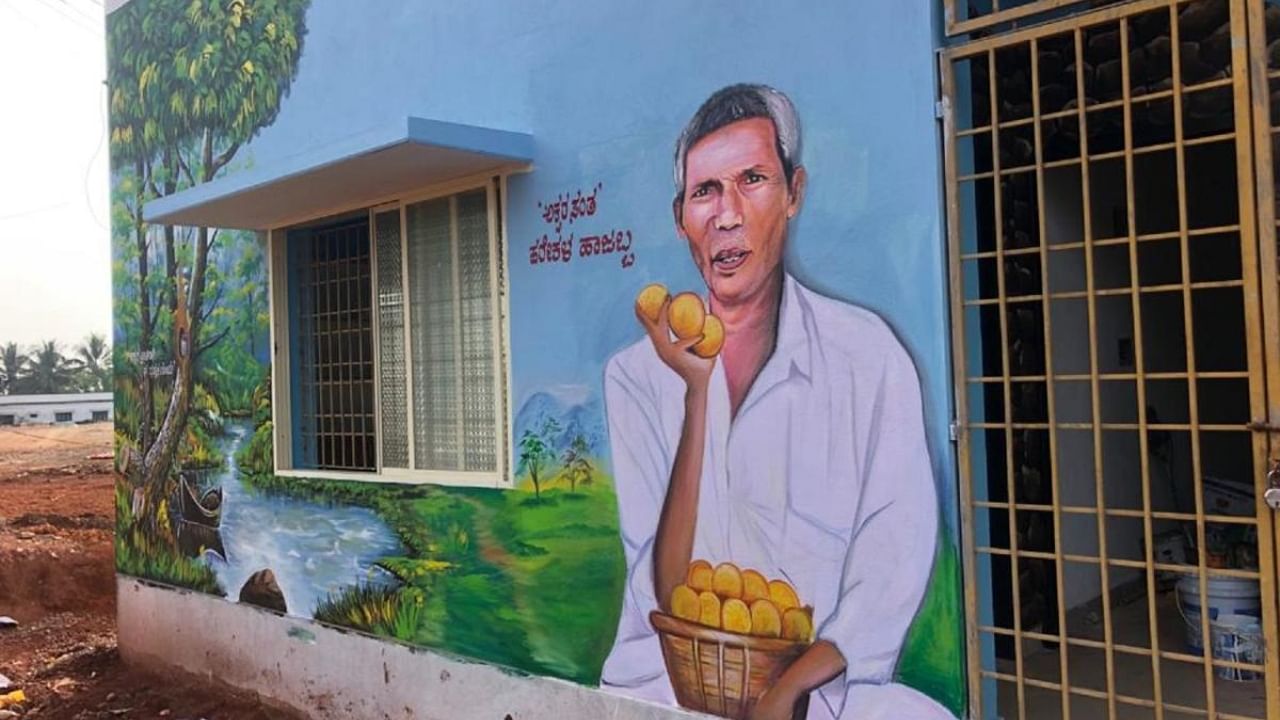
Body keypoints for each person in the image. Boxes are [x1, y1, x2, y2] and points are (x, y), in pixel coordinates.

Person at [599, 84, 954, 720]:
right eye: (705, 192)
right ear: (682, 218)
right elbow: (668, 588)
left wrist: (788, 690)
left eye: (753, 179)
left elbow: (891, 569)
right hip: (667, 683)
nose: (726, 214)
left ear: (794, 193)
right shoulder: (634, 378)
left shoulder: (868, 359)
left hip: (820, 693)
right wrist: (697, 392)